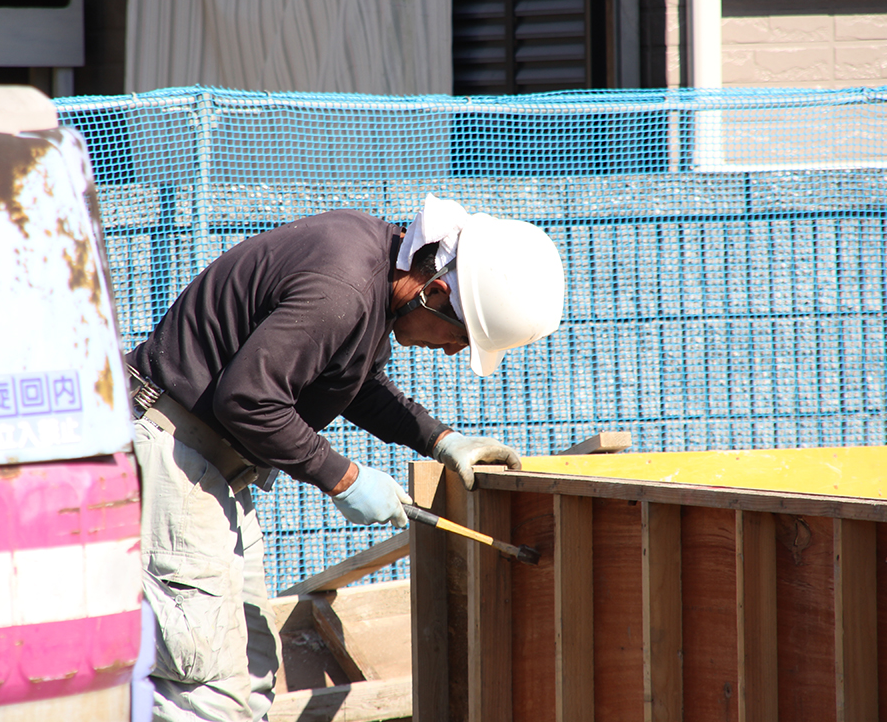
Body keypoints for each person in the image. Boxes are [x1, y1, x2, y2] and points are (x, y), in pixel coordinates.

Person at [125, 193, 564, 721]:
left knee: (251, 666)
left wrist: (439, 439)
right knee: (201, 680)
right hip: (170, 450)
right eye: (459, 338)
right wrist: (345, 478)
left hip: (209, 466)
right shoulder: (344, 285)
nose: (450, 352)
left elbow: (352, 381)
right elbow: (248, 400)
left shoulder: (374, 270)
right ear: (435, 291)